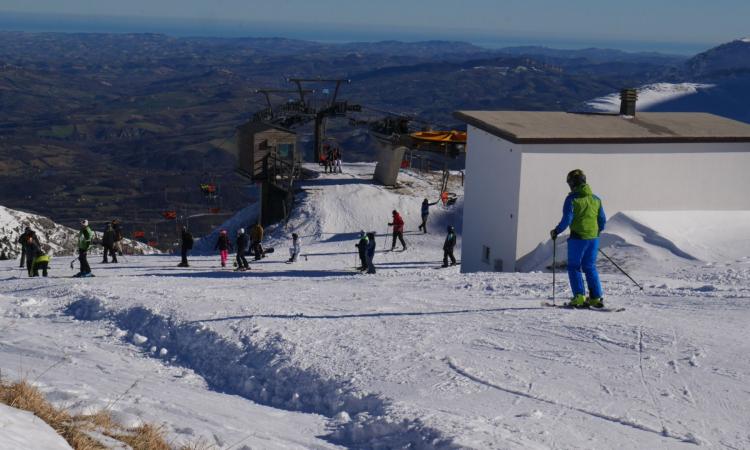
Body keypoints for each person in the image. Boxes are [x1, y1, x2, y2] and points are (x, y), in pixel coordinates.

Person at [550, 169, 607, 308]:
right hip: (593, 238)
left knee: (574, 267)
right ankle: (595, 298)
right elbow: (602, 220)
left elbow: (567, 219)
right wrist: (595, 232)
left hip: (578, 238)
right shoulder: (596, 199)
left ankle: (579, 297)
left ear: (573, 183)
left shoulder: (572, 199)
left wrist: (556, 231)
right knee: (590, 267)